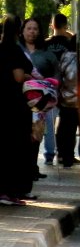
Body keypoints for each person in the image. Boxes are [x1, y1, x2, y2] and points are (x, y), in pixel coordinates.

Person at [0, 15, 34, 205]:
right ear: (19, 30)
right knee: (14, 148)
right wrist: (31, 76)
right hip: (14, 107)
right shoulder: (13, 51)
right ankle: (10, 191)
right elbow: (18, 77)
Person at [20, 18, 59, 181]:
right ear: (22, 31)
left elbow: (57, 73)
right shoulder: (17, 51)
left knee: (37, 135)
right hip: (20, 100)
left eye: (35, 29)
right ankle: (23, 168)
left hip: (40, 103)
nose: (32, 32)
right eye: (29, 28)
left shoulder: (46, 53)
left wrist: (49, 85)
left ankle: (34, 168)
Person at [45, 13, 78, 165]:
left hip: (49, 86)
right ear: (65, 25)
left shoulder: (45, 44)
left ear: (52, 25)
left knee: (52, 124)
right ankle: (66, 155)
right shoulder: (70, 43)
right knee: (68, 124)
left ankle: (51, 154)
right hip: (69, 91)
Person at [56, 36, 79, 168]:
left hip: (66, 99)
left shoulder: (65, 56)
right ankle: (75, 155)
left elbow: (61, 76)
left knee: (66, 129)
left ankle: (65, 156)